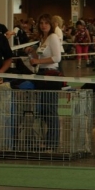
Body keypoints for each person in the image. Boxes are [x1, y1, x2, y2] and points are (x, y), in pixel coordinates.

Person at [26, 13, 63, 151]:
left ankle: (53, 142)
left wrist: (38, 61)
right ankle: (48, 140)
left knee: (51, 110)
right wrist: (33, 52)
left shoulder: (53, 37)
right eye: (41, 23)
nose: (43, 25)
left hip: (51, 76)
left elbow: (57, 58)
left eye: (46, 23)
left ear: (51, 24)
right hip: (42, 74)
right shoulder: (43, 38)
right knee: (46, 110)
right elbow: (41, 56)